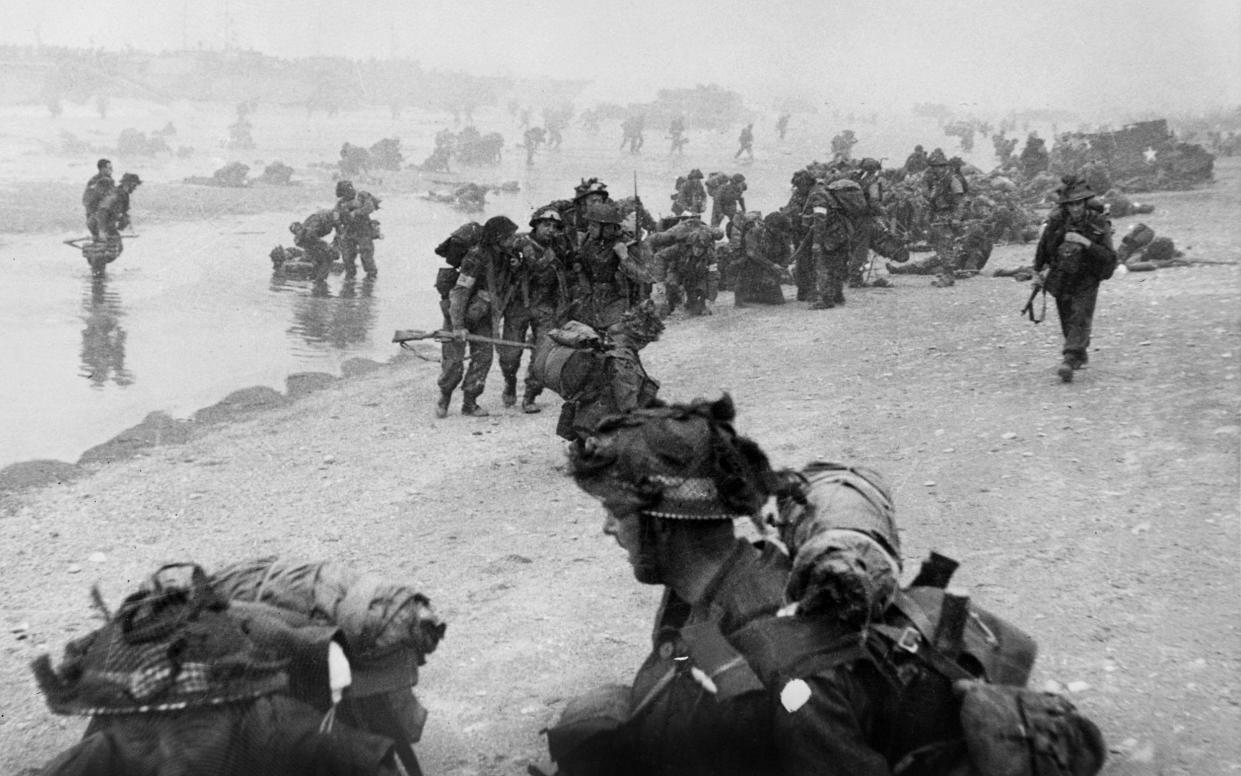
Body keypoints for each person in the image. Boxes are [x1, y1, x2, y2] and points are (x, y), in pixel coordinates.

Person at [550, 396, 965, 776]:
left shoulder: (791, 669)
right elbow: (721, 682)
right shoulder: (708, 588)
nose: (608, 528)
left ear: (664, 524)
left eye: (615, 510)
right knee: (589, 722)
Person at [32, 564, 400, 775]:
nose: (171, 765)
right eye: (142, 739)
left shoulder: (273, 727)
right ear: (115, 726)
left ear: (234, 711)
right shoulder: (106, 748)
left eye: (191, 733)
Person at [1033, 177, 1118, 382]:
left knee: (1080, 314)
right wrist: (1037, 273)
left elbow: (1109, 257)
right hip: (1061, 275)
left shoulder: (1098, 223)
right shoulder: (1056, 222)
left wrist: (1085, 242)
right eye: (1071, 204)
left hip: (1087, 276)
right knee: (1067, 318)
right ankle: (1078, 354)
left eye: (1079, 203)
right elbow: (1043, 249)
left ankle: (1069, 358)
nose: (1075, 208)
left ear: (1085, 203)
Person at [438, 215, 520, 417]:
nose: (514, 241)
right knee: (453, 364)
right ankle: (444, 397)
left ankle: (470, 402)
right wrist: (457, 326)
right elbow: (460, 292)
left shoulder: (505, 256)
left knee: (483, 358)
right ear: (499, 237)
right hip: (457, 314)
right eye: (510, 237)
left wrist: (515, 267)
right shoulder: (476, 256)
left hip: (482, 316)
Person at [507, 208, 573, 413]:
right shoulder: (521, 244)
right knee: (509, 355)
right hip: (518, 305)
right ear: (536, 225)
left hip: (545, 306)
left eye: (554, 227)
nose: (550, 230)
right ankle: (509, 383)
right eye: (546, 225)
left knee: (542, 353)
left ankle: (530, 395)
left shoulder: (559, 247)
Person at [923, 149, 967, 288]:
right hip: (939, 217)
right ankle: (945, 273)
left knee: (946, 246)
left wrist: (956, 218)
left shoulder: (952, 180)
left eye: (937, 167)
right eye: (934, 168)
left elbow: (960, 201)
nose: (935, 170)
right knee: (939, 247)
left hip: (948, 217)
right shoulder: (938, 181)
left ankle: (949, 276)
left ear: (944, 167)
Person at [86, 172, 141, 274]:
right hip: (97, 223)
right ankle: (97, 266)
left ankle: (97, 268)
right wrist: (102, 231)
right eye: (133, 185)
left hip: (107, 224)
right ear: (127, 183)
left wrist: (124, 219)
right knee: (111, 247)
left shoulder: (124, 196)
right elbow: (102, 212)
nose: (135, 188)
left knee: (111, 248)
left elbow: (122, 212)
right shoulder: (114, 195)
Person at [732, 212, 790, 307]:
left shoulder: (779, 235)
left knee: (778, 301)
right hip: (753, 267)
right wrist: (771, 265)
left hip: (769, 269)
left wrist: (783, 265)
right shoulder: (754, 233)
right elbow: (753, 253)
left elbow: (787, 252)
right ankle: (744, 298)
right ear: (769, 226)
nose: (779, 232)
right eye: (777, 229)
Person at [334, 180, 380, 278]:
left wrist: (356, 212)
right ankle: (350, 278)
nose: (346, 194)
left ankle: (370, 279)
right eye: (344, 192)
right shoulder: (341, 203)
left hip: (363, 230)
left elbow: (369, 207)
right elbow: (336, 217)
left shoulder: (362, 196)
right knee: (347, 257)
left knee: (366, 256)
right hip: (349, 231)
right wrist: (339, 230)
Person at [290, 209, 341, 285]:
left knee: (320, 261)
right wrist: (328, 247)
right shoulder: (313, 225)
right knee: (327, 259)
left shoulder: (310, 224)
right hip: (313, 243)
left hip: (311, 244)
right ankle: (319, 283)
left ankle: (316, 280)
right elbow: (313, 238)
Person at [82, 158, 113, 240]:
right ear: (103, 169)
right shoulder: (104, 181)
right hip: (99, 219)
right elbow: (89, 200)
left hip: (93, 219)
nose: (112, 170)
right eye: (109, 168)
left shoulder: (94, 180)